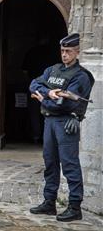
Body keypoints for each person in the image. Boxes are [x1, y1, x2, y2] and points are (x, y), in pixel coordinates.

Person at [29, 33, 94, 222]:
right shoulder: (53, 69)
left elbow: (65, 104)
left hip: (66, 123)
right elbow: (34, 84)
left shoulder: (81, 76)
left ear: (77, 52)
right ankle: (49, 202)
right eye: (62, 51)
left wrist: (44, 101)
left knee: (69, 164)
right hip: (50, 122)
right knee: (49, 162)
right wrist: (48, 92)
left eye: (68, 51)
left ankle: (75, 206)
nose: (64, 55)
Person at [22, 32, 61, 143]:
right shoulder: (53, 53)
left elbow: (24, 71)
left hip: (34, 87)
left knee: (34, 112)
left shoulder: (31, 52)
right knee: (49, 110)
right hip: (51, 87)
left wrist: (29, 82)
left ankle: (36, 136)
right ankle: (48, 137)